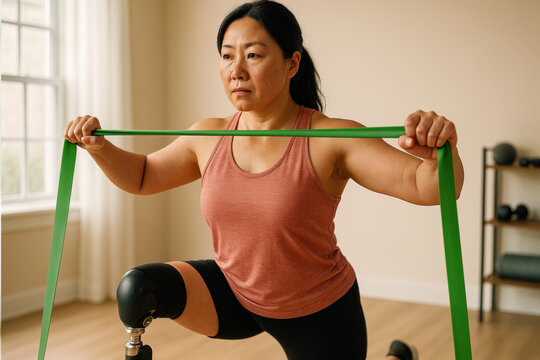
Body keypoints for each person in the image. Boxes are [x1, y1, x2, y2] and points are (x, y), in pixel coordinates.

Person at [64, 1, 463, 359]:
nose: (236, 71)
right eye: (226, 56)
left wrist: (440, 152)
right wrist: (100, 148)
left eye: (253, 55)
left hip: (318, 310)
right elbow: (144, 176)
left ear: (292, 64)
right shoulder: (208, 135)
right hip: (234, 295)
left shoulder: (331, 138)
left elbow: (428, 186)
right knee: (139, 288)